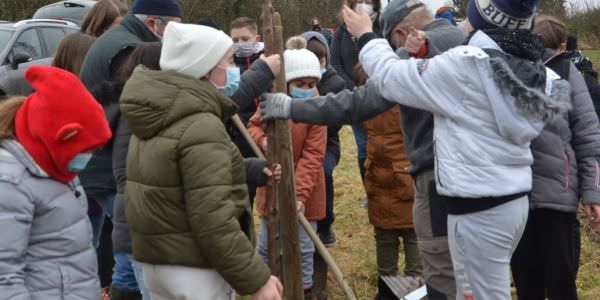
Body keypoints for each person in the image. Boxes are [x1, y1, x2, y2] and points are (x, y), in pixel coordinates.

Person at [260, 0, 577, 298]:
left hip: (458, 192)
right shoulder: (511, 60)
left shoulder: (461, 63)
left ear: (401, 33)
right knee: (486, 285)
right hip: (513, 196)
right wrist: (424, 48)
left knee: (447, 277)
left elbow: (377, 86)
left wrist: (365, 37)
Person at [258, 1, 465, 298]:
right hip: (491, 187)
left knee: (440, 271)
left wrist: (293, 106)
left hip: (437, 178)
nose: (395, 53)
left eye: (393, 44)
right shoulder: (465, 42)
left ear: (403, 32)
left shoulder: (418, 57)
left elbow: (360, 101)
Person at [120, 22, 283, 300]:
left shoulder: (157, 114)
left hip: (155, 261)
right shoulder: (201, 125)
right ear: (207, 70)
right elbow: (213, 217)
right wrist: (256, 280)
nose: (234, 72)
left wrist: (248, 169)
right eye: (229, 63)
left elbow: (180, 180)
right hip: (194, 268)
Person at [78, 0, 183, 298]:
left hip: (103, 161)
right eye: (173, 28)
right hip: (112, 168)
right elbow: (142, 110)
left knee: (126, 250)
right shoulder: (129, 49)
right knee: (142, 248)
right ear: (153, 24)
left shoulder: (119, 40)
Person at [0, 66, 111, 299]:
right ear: (59, 138)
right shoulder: (10, 183)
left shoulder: (56, 167)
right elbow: (5, 277)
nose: (87, 157)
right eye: (84, 150)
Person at [510, 14, 600, 300]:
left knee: (549, 282)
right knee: (537, 281)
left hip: (548, 197)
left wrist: (592, 192)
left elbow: (583, 132)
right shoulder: (507, 70)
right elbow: (585, 135)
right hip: (521, 195)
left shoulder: (560, 73)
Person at [249, 36, 327, 298]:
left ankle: (302, 290)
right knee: (266, 244)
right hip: (272, 182)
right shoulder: (272, 100)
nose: (306, 88)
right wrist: (264, 140)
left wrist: (300, 195)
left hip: (306, 192)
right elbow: (253, 126)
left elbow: (313, 156)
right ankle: (268, 289)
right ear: (287, 82)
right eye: (300, 84)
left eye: (311, 84)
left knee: (303, 247)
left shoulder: (317, 108)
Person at [353, 63, 423, 299]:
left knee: (401, 247)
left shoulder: (383, 110)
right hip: (390, 185)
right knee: (403, 248)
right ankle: (403, 292)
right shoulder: (404, 103)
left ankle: (396, 292)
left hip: (397, 185)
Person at [331, 0, 373, 209]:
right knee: (363, 147)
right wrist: (352, 88)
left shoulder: (381, 26)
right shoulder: (340, 33)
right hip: (355, 98)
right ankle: (369, 191)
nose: (363, 5)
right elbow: (336, 63)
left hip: (379, 95)